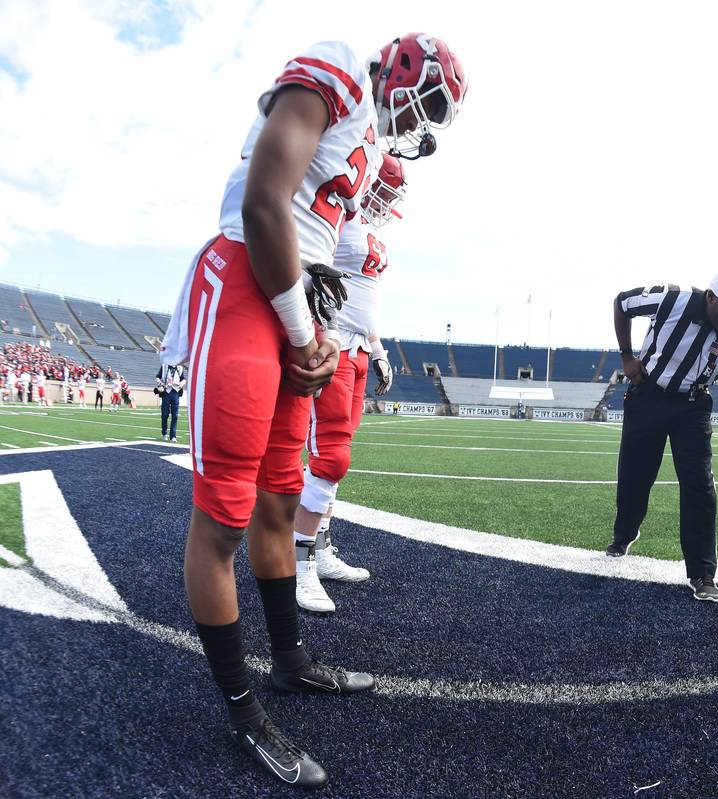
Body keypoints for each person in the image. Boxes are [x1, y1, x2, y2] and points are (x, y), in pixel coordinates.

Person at [158, 35, 466, 787]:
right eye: (425, 98)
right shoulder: (338, 71)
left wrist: (321, 332)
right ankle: (243, 711)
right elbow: (267, 202)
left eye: (435, 115)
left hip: (299, 304)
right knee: (224, 516)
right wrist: (306, 330)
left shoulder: (363, 150)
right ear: (399, 69)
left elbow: (322, 238)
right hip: (244, 282)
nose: (419, 121)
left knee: (279, 499)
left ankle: (292, 661)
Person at [293, 155, 405, 615]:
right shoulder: (337, 216)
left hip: (359, 348)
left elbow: (362, 300)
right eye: (383, 188)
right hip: (332, 343)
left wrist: (379, 351)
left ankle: (320, 550)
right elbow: (307, 265)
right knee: (330, 457)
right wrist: (317, 331)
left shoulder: (367, 230)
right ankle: (298, 566)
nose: (385, 199)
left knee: (335, 457)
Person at [606, 269, 718, 604]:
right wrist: (627, 355)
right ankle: (624, 534)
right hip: (648, 395)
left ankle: (703, 572)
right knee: (633, 475)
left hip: (692, 406)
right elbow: (621, 302)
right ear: (711, 297)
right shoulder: (672, 298)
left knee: (700, 486)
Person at [155, 362, 186, 442]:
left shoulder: (179, 367)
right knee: (165, 414)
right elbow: (157, 377)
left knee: (175, 415)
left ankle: (173, 436)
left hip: (175, 392)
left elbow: (183, 379)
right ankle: (164, 433)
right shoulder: (164, 366)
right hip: (166, 392)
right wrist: (160, 384)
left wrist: (182, 383)